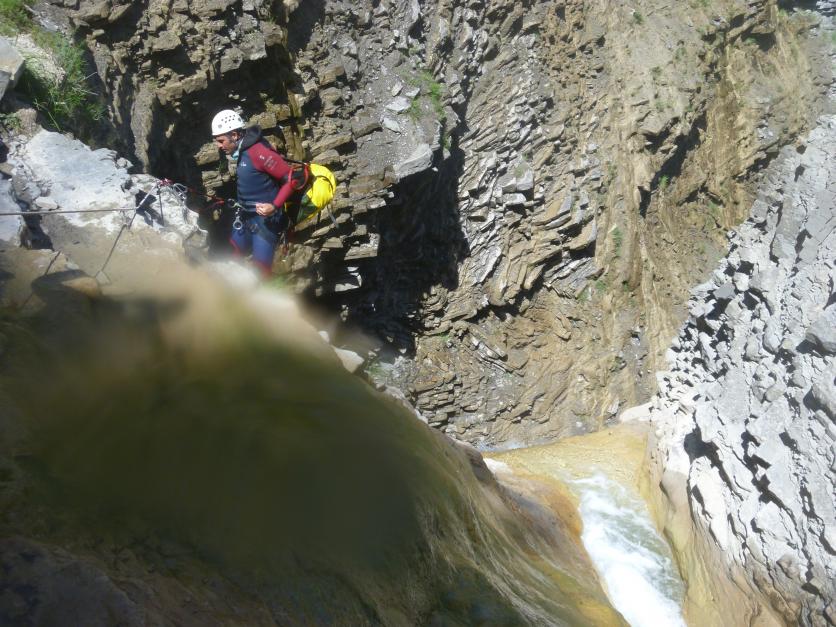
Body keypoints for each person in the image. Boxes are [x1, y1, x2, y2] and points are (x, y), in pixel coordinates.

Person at [211, 109, 297, 277]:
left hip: (266, 222)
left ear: (234, 135)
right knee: (230, 257)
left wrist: (274, 206)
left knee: (260, 274)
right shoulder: (242, 150)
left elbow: (291, 179)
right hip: (246, 217)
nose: (219, 146)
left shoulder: (259, 152)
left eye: (221, 141)